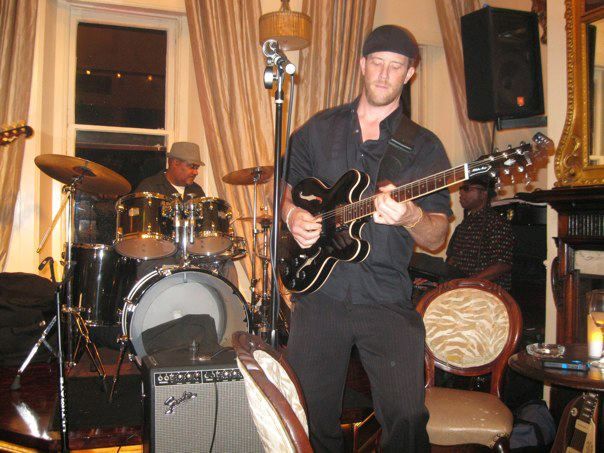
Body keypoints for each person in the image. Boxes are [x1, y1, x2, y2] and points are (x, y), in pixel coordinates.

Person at [282, 25, 452, 452]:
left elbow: (436, 235)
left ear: (409, 74)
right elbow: (287, 192)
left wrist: (412, 216)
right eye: (377, 63)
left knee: (407, 418)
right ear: (362, 65)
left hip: (385, 295)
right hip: (319, 293)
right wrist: (292, 215)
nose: (384, 74)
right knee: (307, 415)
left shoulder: (425, 147)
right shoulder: (317, 130)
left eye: (395, 67)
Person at [446, 174, 514, 291]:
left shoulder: (497, 223)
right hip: (463, 290)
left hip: (486, 295)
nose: (461, 192)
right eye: (461, 188)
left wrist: (468, 283)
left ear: (484, 194)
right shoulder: (464, 224)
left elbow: (502, 264)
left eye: (466, 188)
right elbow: (452, 259)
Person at [135, 141, 205, 197]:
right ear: (175, 163)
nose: (196, 172)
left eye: (197, 168)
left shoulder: (197, 191)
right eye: (192, 166)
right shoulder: (150, 187)